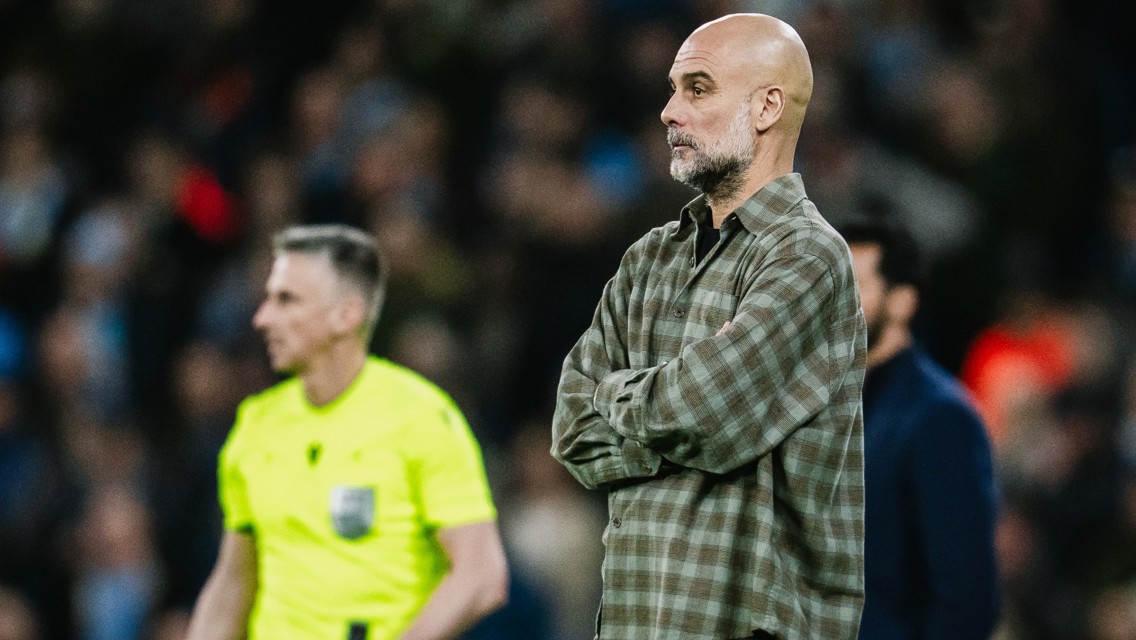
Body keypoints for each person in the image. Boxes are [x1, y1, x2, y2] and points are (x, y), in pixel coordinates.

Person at [551, 13, 867, 640]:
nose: (670, 111)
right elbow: (571, 427)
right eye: (672, 89)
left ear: (766, 107)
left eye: (697, 88)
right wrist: (679, 420)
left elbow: (699, 410)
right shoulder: (647, 259)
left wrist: (623, 397)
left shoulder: (808, 256)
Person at [186, 224, 508, 640]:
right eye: (267, 299)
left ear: (346, 314)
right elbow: (233, 585)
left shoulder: (421, 417)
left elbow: (481, 576)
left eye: (286, 300)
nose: (262, 318)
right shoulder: (256, 423)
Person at [841, 219, 999, 639]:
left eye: (852, 284)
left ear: (902, 301)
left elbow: (966, 600)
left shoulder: (939, 416)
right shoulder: (821, 400)